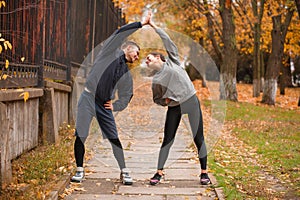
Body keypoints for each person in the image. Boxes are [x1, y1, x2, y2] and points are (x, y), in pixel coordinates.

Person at [71, 13, 151, 185]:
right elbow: (120, 32)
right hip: (87, 99)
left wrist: (115, 106)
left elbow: (127, 94)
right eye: (137, 53)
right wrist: (140, 24)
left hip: (103, 106)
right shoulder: (108, 52)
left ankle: (124, 171)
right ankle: (79, 170)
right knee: (81, 135)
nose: (137, 57)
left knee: (114, 138)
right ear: (128, 48)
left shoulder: (125, 72)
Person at [145, 16, 211, 185]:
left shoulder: (173, 61)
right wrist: (165, 101)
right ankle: (158, 173)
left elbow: (166, 39)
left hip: (191, 101)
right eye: (146, 61)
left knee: (198, 137)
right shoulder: (156, 80)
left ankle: (204, 173)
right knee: (168, 139)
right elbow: (157, 99)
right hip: (174, 107)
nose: (147, 61)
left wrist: (153, 25)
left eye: (149, 58)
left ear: (159, 58)